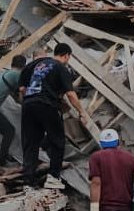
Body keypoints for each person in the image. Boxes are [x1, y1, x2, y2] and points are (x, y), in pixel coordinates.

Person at [19, 42, 93, 190]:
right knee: (57, 141)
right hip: (47, 105)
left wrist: (32, 99)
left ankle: (28, 181)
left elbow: (22, 89)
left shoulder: (32, 65)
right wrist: (82, 112)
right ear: (67, 56)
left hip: (28, 105)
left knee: (31, 143)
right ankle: (53, 178)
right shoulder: (60, 67)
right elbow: (70, 94)